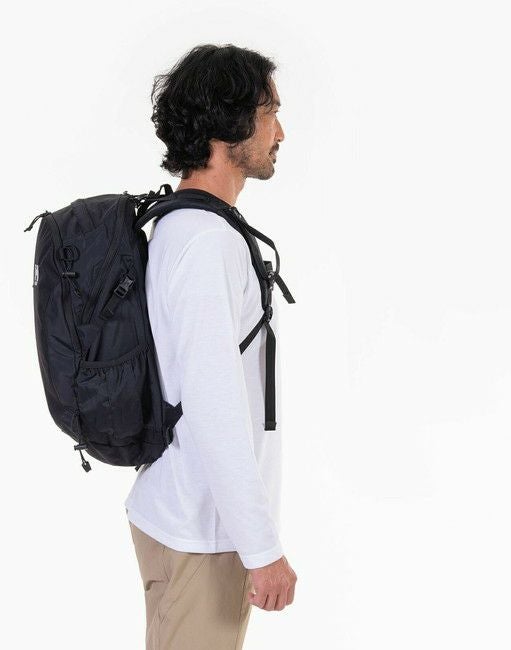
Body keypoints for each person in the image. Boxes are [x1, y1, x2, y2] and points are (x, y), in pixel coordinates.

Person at [124, 43, 297, 650]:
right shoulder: (206, 241)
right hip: (201, 530)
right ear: (229, 123)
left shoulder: (189, 226)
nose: (280, 132)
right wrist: (261, 547)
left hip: (195, 517)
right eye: (270, 113)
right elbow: (214, 403)